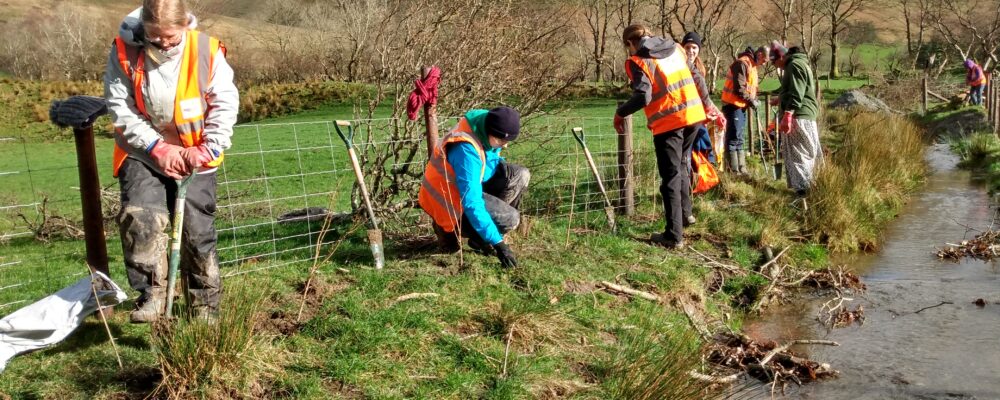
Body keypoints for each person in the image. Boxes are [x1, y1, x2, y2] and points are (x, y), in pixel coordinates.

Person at [104, 0, 238, 323]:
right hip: (143, 152)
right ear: (143, 28)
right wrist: (158, 148)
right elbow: (120, 107)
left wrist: (205, 150)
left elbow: (225, 103)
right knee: (142, 217)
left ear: (185, 26)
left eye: (172, 38)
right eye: (155, 37)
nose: (164, 44)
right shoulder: (125, 51)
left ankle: (204, 305)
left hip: (195, 156)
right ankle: (153, 294)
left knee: (196, 231)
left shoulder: (206, 52)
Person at [615, 24, 723, 249]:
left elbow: (643, 96)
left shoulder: (639, 61)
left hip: (670, 124)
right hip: (693, 117)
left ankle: (674, 236)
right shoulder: (675, 48)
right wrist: (709, 105)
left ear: (630, 43)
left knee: (671, 177)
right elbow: (695, 75)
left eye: (628, 48)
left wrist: (620, 112)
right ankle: (684, 216)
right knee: (682, 166)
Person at [419, 107, 528, 269]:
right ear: (491, 132)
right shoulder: (465, 151)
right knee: (512, 219)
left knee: (520, 174)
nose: (504, 147)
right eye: (501, 141)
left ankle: (482, 237)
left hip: (467, 185)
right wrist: (499, 244)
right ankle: (483, 235)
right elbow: (471, 202)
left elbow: (487, 161)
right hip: (449, 204)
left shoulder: (485, 123)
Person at [769, 41, 821, 197]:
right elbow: (798, 89)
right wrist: (780, 99)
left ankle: (803, 192)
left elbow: (797, 93)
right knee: (806, 152)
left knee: (799, 154)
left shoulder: (794, 66)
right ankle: (811, 188)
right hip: (805, 114)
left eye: (775, 62)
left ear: (782, 56)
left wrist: (788, 113)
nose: (776, 66)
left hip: (799, 115)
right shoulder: (800, 63)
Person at [720, 46, 762, 175]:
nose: (765, 63)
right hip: (733, 105)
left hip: (741, 106)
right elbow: (739, 88)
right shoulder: (742, 63)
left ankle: (742, 169)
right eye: (764, 60)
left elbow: (751, 87)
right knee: (733, 138)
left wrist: (755, 99)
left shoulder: (752, 65)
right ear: (759, 54)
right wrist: (752, 101)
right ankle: (733, 170)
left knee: (739, 138)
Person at [681, 32, 717, 167]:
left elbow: (703, 95)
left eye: (694, 48)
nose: (691, 51)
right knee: (689, 152)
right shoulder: (680, 66)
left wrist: (714, 111)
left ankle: (702, 180)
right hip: (686, 116)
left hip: (700, 116)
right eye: (687, 47)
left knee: (700, 149)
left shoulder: (699, 68)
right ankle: (693, 182)